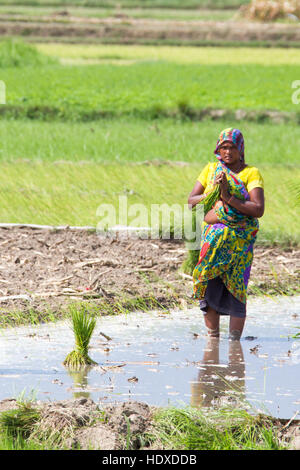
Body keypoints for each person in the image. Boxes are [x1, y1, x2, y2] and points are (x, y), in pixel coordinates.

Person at [188, 128, 265, 340]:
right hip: (213, 246)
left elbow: (258, 209)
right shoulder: (211, 170)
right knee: (210, 287)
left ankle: (234, 344)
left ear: (240, 149)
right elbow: (191, 201)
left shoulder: (251, 173)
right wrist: (213, 190)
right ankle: (212, 339)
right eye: (223, 147)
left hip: (240, 245)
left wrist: (228, 198)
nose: (228, 152)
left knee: (237, 290)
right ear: (218, 150)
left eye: (231, 147)